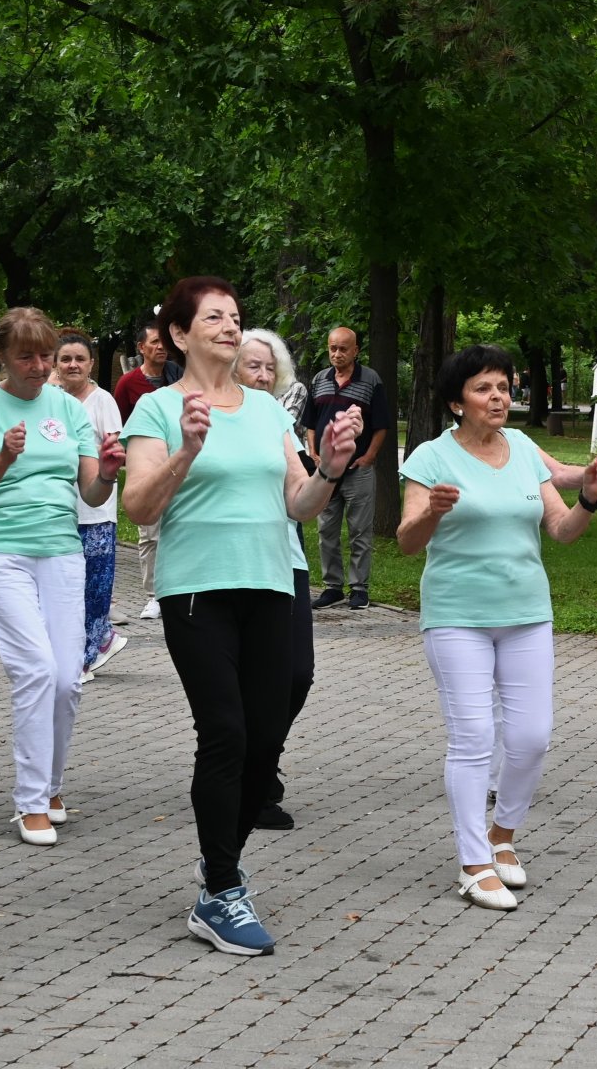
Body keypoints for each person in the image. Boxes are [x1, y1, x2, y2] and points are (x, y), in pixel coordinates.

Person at [124, 277, 359, 956]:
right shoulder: (161, 410)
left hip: (270, 584)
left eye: (236, 317)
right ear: (179, 334)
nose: (231, 327)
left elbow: (298, 503)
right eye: (215, 318)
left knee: (267, 728)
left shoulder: (263, 411)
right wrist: (187, 452)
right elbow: (139, 505)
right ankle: (220, 889)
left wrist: (333, 468)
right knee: (224, 730)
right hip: (197, 589)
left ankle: (220, 853)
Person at [399, 344, 597, 910]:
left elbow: (561, 530)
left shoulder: (520, 448)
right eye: (484, 389)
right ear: (456, 402)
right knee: (472, 740)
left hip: (526, 614)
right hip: (457, 616)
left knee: (530, 738)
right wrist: (431, 512)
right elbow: (405, 540)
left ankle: (502, 837)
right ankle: (473, 862)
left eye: (504, 386)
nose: (499, 398)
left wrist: (589, 496)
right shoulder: (430, 458)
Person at [0, 308, 124, 846]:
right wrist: (3, 456)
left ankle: (51, 786)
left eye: (45, 356)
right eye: (25, 356)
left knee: (66, 677)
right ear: (3, 357)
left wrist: (106, 471)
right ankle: (29, 802)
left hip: (60, 547)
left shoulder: (68, 408)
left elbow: (92, 495)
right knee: (34, 670)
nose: (38, 366)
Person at [236, 327, 313, 829]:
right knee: (249, 680)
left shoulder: (279, 422)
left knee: (296, 675)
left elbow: (301, 494)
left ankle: (261, 759)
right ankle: (252, 782)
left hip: (288, 558)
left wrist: (324, 466)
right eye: (252, 366)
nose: (263, 376)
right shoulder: (215, 417)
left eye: (270, 368)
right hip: (237, 562)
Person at [53, 330, 127, 684]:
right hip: (58, 513)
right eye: (65, 359)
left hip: (95, 512)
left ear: (91, 364)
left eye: (79, 359)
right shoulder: (50, 402)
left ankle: (83, 660)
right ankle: (104, 638)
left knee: (94, 590)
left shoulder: (102, 402)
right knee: (65, 590)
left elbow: (113, 452)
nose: (72, 365)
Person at [305, 326, 390, 610]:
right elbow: (311, 422)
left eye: (343, 348)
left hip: (357, 469)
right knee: (326, 528)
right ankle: (332, 587)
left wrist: (368, 457)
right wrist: (314, 451)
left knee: (359, 531)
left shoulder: (370, 380)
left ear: (356, 350)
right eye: (333, 348)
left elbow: (381, 425)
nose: (337, 354)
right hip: (327, 471)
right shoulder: (319, 380)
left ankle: (359, 588)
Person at [114, 320, 178, 620]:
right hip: (147, 466)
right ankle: (153, 595)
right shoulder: (128, 384)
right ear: (141, 348)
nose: (161, 346)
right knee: (150, 533)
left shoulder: (180, 377)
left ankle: (177, 589)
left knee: (180, 528)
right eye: (154, 342)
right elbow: (121, 427)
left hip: (180, 463)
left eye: (164, 341)